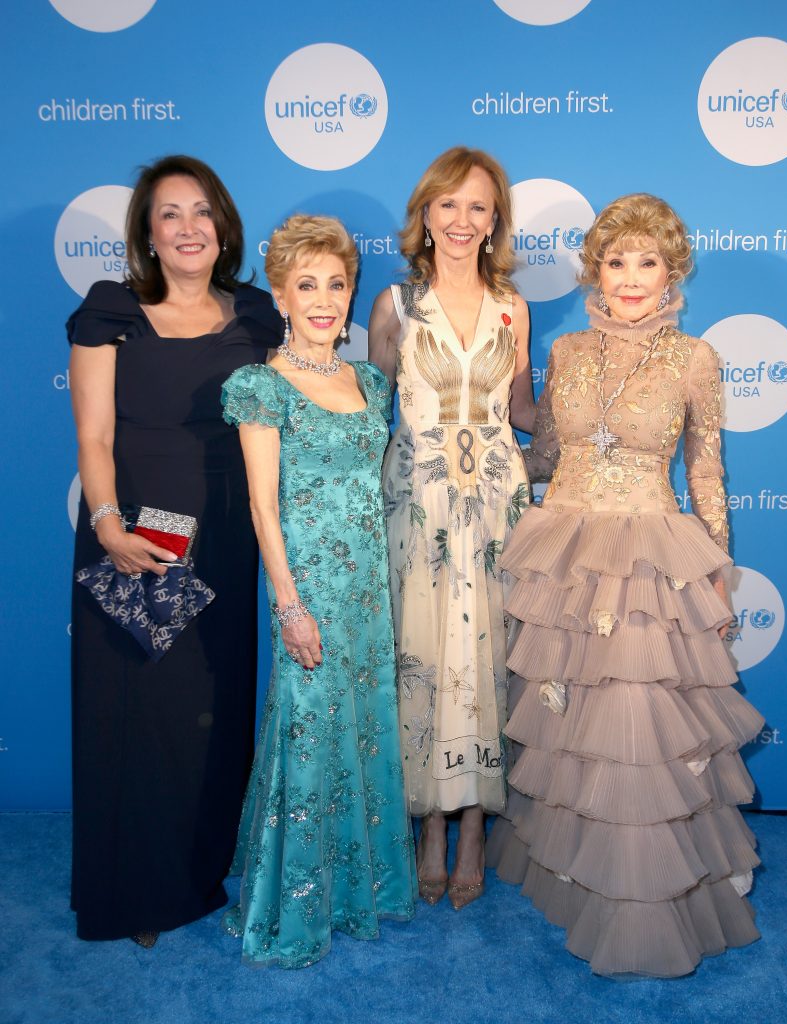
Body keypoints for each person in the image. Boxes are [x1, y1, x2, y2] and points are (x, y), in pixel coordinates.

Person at [486, 193, 764, 977]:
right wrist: (507, 409)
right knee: (567, 723)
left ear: (672, 271)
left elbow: (705, 469)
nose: (631, 277)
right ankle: (573, 880)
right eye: (616, 261)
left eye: (648, 262)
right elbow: (546, 453)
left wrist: (713, 576)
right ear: (594, 271)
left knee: (639, 734)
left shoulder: (694, 358)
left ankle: (644, 901)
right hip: (566, 547)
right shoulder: (568, 351)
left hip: (645, 557)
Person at [68, 155, 281, 946]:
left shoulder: (260, 315)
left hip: (226, 539)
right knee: (137, 718)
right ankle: (139, 891)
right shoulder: (110, 310)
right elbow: (92, 433)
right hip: (133, 542)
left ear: (223, 226)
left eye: (202, 212)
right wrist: (107, 525)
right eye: (170, 214)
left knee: (212, 714)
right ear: (147, 234)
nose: (188, 227)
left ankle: (200, 867)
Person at [220, 214, 417, 968]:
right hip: (307, 589)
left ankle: (351, 891)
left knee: (362, 732)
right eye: (307, 285)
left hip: (367, 589)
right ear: (279, 294)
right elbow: (263, 508)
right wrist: (290, 606)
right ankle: (291, 904)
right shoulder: (261, 386)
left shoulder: (368, 380)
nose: (325, 300)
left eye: (336, 284)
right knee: (308, 732)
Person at [369, 147, 535, 909]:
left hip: (498, 505)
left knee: (489, 659)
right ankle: (429, 824)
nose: (462, 220)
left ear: (493, 217)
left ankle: (474, 825)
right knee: (425, 661)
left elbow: (525, 412)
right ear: (425, 215)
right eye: (448, 205)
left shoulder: (513, 308)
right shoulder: (394, 306)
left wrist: (598, 429)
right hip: (419, 506)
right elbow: (370, 417)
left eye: (477, 206)